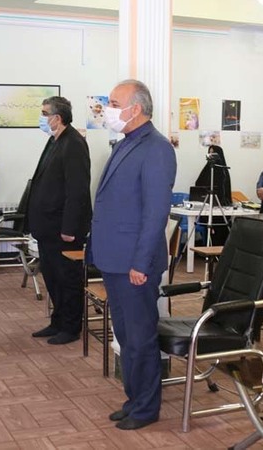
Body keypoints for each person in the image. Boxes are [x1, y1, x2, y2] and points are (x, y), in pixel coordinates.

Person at [90, 79, 176, 431]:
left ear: (135, 108)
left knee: (140, 339)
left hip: (134, 264)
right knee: (126, 337)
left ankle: (146, 408)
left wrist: (140, 263)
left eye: (114, 103)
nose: (107, 108)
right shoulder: (127, 142)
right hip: (115, 258)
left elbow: (156, 213)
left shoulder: (157, 148)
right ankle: (133, 400)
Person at [27, 96, 91, 345]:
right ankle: (57, 321)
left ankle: (71, 327)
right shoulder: (55, 140)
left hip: (63, 227)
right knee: (53, 276)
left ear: (57, 117)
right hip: (47, 226)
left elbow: (77, 190)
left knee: (68, 278)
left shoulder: (74, 143)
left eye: (44, 113)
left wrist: (70, 227)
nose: (41, 117)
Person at [195, 145, 231, 245]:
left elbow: (224, 190)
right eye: (209, 152)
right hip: (206, 206)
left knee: (221, 227)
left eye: (213, 153)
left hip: (220, 208)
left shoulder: (223, 171)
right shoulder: (207, 169)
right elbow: (198, 183)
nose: (211, 155)